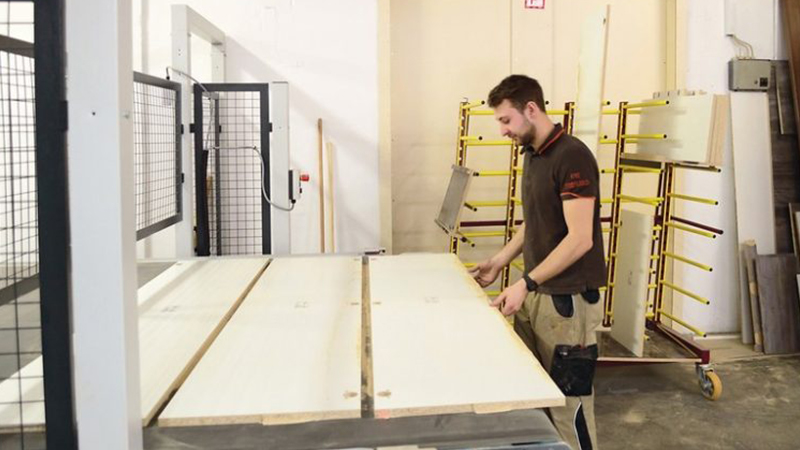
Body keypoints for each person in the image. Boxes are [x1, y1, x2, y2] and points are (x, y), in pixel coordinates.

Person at [469, 74, 606, 450]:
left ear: (531, 109)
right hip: (538, 295)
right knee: (534, 399)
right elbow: (537, 221)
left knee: (569, 407)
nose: (502, 130)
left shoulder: (571, 156)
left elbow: (580, 239)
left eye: (506, 120)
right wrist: (500, 261)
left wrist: (525, 283)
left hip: (568, 304)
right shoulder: (533, 154)